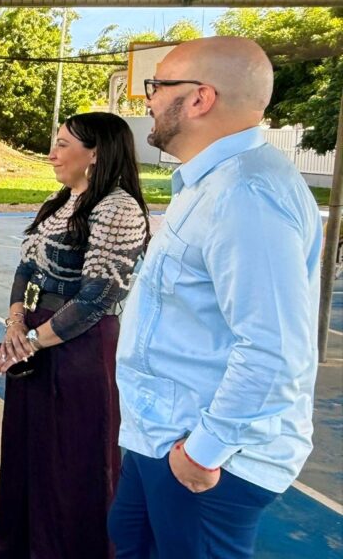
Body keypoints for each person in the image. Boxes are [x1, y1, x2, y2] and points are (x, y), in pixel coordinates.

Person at [108, 37, 320, 559]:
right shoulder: (209, 183)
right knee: (128, 542)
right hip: (162, 434)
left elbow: (274, 349)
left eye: (157, 86)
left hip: (202, 455)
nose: (148, 99)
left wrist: (205, 450)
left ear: (201, 98)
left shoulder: (245, 195)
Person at [0, 112, 150, 558]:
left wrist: (30, 344)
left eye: (62, 144)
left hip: (81, 349)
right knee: (28, 453)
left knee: (74, 461)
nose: (52, 153)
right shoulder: (60, 201)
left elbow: (97, 299)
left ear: (94, 153)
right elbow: (24, 269)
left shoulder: (118, 207)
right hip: (38, 341)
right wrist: (16, 324)